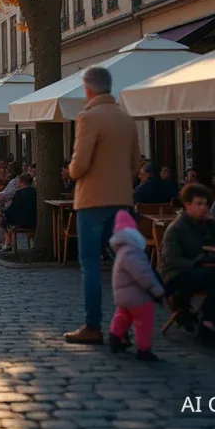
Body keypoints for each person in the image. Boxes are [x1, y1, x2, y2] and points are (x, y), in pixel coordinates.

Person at [64, 66, 141, 345]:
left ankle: (93, 325)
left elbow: (79, 165)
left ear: (87, 89)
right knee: (125, 265)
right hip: (122, 201)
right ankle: (125, 326)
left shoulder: (88, 117)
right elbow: (135, 164)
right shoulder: (126, 118)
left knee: (91, 265)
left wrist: (71, 170)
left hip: (92, 201)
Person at [159, 182, 215, 345]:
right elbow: (171, 260)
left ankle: (199, 316)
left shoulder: (205, 224)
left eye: (206, 204)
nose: (204, 208)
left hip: (201, 269)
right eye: (199, 204)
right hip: (176, 273)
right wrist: (195, 264)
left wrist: (214, 224)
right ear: (187, 205)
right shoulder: (176, 228)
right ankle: (206, 324)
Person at [108, 210, 166, 362]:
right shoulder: (133, 252)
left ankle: (114, 336)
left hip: (122, 296)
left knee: (122, 316)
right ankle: (144, 349)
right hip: (138, 297)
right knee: (144, 322)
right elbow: (144, 275)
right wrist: (157, 291)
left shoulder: (121, 251)